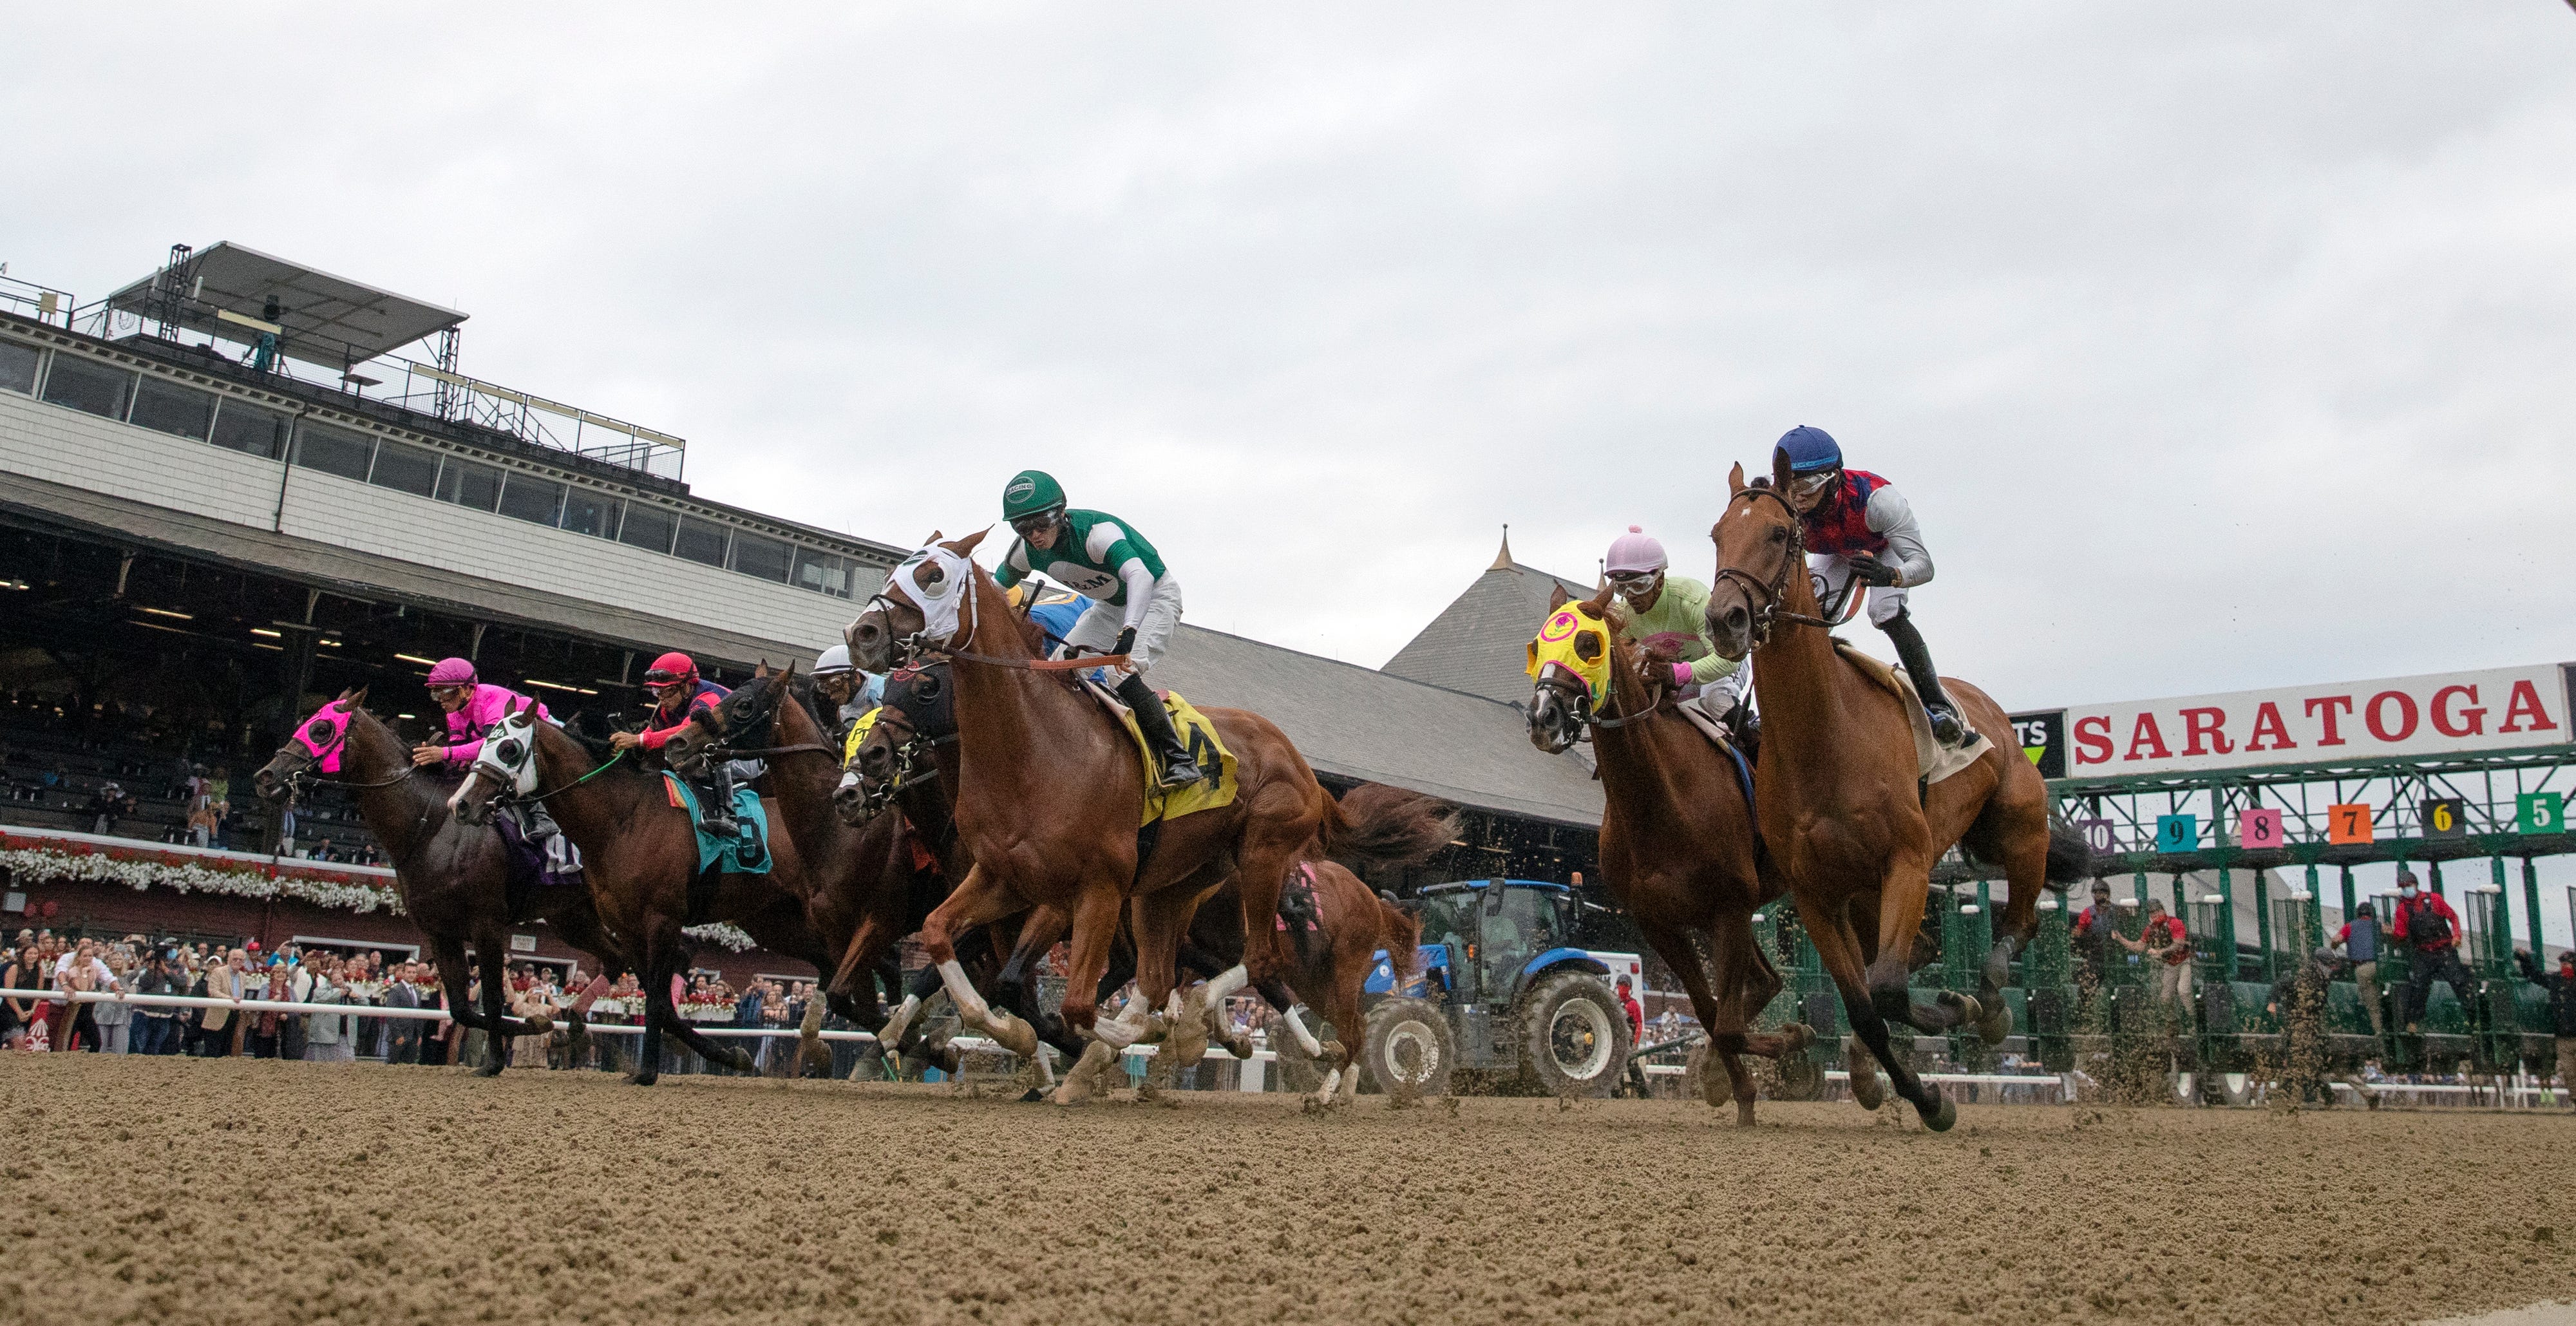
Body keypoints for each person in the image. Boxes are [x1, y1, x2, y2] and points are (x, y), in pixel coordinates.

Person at [993, 469, 1204, 786]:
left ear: (1061, 513)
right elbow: (993, 592)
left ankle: (1180, 759)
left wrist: (1130, 631)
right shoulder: (1025, 552)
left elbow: (1141, 577)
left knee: (1119, 670)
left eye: (1042, 523)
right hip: (1108, 607)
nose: (1035, 534)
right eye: (1023, 526)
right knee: (1056, 669)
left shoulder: (1097, 535)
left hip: (1155, 598)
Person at [1772, 425, 1970, 746]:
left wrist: (1888, 576)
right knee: (1812, 614)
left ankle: (1937, 704)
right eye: (1789, 486)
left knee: (1885, 610)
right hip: (1836, 552)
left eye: (1807, 485)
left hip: (1883, 547)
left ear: (1834, 478)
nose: (1798, 497)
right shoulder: (1785, 505)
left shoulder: (1880, 501)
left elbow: (1925, 567)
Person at [413, 658, 576, 870]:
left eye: (443, 692)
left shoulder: (493, 699)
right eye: (434, 693)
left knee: (514, 767)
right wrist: (441, 758)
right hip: (508, 744)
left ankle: (544, 818)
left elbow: (491, 748)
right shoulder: (454, 712)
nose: (438, 700)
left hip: (542, 734)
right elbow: (460, 750)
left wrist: (444, 753)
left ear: (466, 689)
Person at [1602, 526, 1753, 741]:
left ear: (1660, 580)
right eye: (1622, 588)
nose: (1630, 597)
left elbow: (1728, 661)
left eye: (1638, 585)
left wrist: (1676, 673)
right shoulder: (1625, 614)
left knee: (1715, 698)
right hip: (1680, 674)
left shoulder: (1690, 600)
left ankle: (1757, 743)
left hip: (1727, 659)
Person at [609, 652, 742, 837]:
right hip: (721, 749)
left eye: (667, 690)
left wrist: (639, 740)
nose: (661, 697)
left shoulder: (708, 698)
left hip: (746, 754)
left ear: (687, 686)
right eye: (657, 691)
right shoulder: (666, 706)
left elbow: (686, 733)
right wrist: (632, 743)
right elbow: (651, 734)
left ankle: (728, 816)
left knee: (708, 750)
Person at [2391, 871, 2477, 1034]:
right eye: (2403, 887)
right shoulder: (2402, 910)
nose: (2406, 889)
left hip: (2445, 950)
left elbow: (2453, 917)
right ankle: (2413, 1023)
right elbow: (2401, 935)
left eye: (2408, 886)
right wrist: (2391, 935)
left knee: (2459, 983)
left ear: (2416, 885)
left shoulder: (2435, 899)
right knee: (2419, 986)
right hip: (2423, 954)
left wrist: (2457, 935)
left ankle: (2475, 1021)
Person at [2514, 947, 2575, 1094]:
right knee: (2569, 1073)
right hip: (2563, 1037)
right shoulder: (2555, 980)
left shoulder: (2556, 981)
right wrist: (2525, 960)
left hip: (2566, 1034)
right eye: (2563, 964)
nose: (2564, 967)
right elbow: (2535, 976)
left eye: (2567, 964)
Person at [2119, 896, 2193, 1014]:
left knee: (2183, 990)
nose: (2154, 914)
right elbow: (2139, 947)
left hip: (2186, 961)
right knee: (2165, 998)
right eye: (2151, 912)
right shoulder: (2150, 929)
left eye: (2156, 911)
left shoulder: (2174, 923)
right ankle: (2172, 1022)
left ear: (2163, 910)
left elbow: (2178, 945)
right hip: (2170, 964)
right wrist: (2121, 939)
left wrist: (2159, 952)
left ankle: (2192, 1018)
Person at [810, 645, 884, 746]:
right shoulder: (843, 710)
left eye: (835, 683)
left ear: (856, 677)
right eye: (823, 687)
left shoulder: (881, 692)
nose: (831, 696)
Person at [2334, 901, 2387, 1037]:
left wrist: (2334, 947)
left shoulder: (2350, 927)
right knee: (2388, 996)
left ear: (2358, 914)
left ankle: (2380, 1032)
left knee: (2373, 1005)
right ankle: (2395, 1025)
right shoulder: (2378, 925)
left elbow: (2336, 940)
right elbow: (2391, 935)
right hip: (2382, 966)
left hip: (2363, 968)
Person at [2071, 881, 2122, 985]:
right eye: (2096, 893)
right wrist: (2080, 934)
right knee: (2092, 979)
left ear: (2107, 894)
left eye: (2101, 893)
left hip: (2114, 951)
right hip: (2096, 952)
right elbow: (2079, 932)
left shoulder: (2116, 911)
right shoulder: (2088, 912)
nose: (2098, 895)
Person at [1615, 974, 1645, 1046]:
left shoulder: (1633, 1004)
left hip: (1627, 1040)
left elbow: (1639, 1024)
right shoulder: (1613, 1002)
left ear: (1630, 987)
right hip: (1614, 1038)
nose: (1623, 987)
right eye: (1621, 984)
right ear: (1617, 986)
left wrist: (1636, 1042)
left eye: (1626, 985)